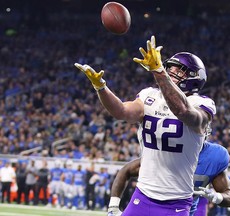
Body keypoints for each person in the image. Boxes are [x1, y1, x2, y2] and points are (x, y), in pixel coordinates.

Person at [75, 35, 216, 216]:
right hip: (143, 195)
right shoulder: (150, 95)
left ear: (195, 77)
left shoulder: (202, 103)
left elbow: (184, 112)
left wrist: (159, 72)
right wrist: (101, 88)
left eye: (179, 70)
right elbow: (121, 112)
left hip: (175, 201)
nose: (171, 72)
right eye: (170, 67)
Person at [106, 128, 230, 216]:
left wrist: (215, 197)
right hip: (151, 205)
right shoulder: (167, 150)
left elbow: (229, 197)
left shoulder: (214, 157)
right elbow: (126, 170)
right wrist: (113, 206)